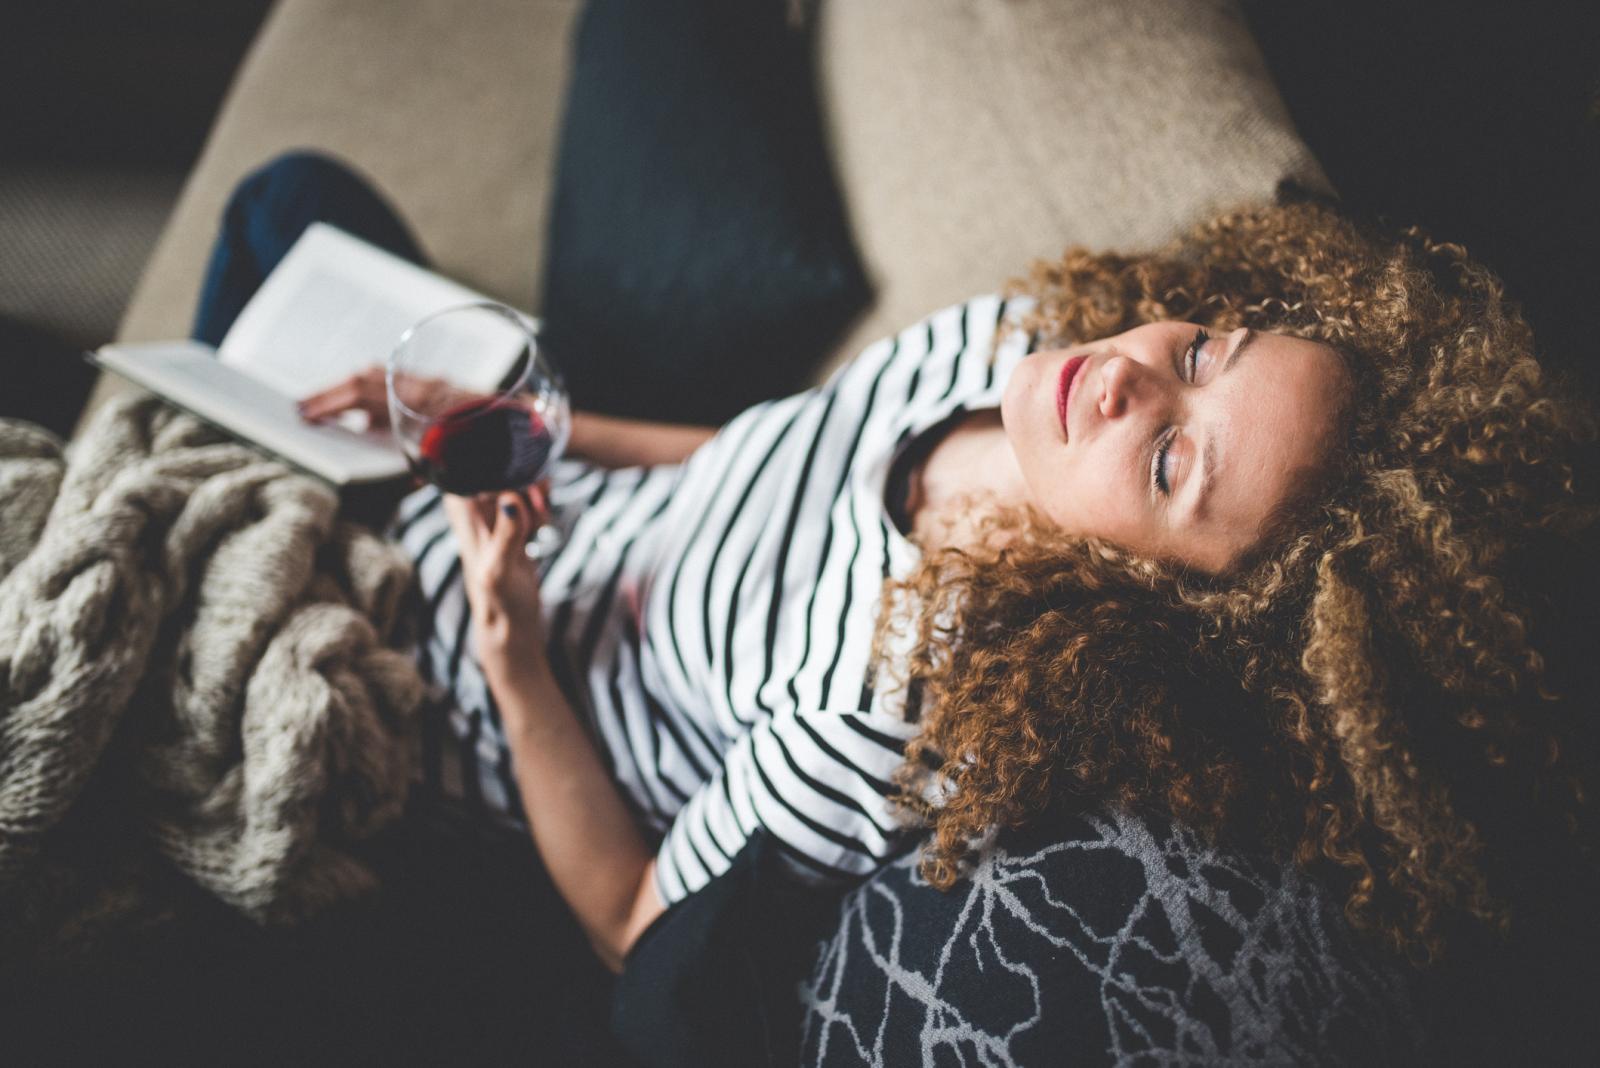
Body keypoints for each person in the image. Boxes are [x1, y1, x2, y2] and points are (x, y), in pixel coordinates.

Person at [215, 154, 1599, 997]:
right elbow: (773, 454)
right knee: (290, 200)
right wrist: (525, 425)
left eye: (1172, 465)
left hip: (447, 686)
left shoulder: (894, 710)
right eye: (1202, 352)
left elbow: (635, 934)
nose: (1121, 377)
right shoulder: (1014, 344)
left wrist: (515, 655)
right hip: (516, 485)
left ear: (1181, 602)